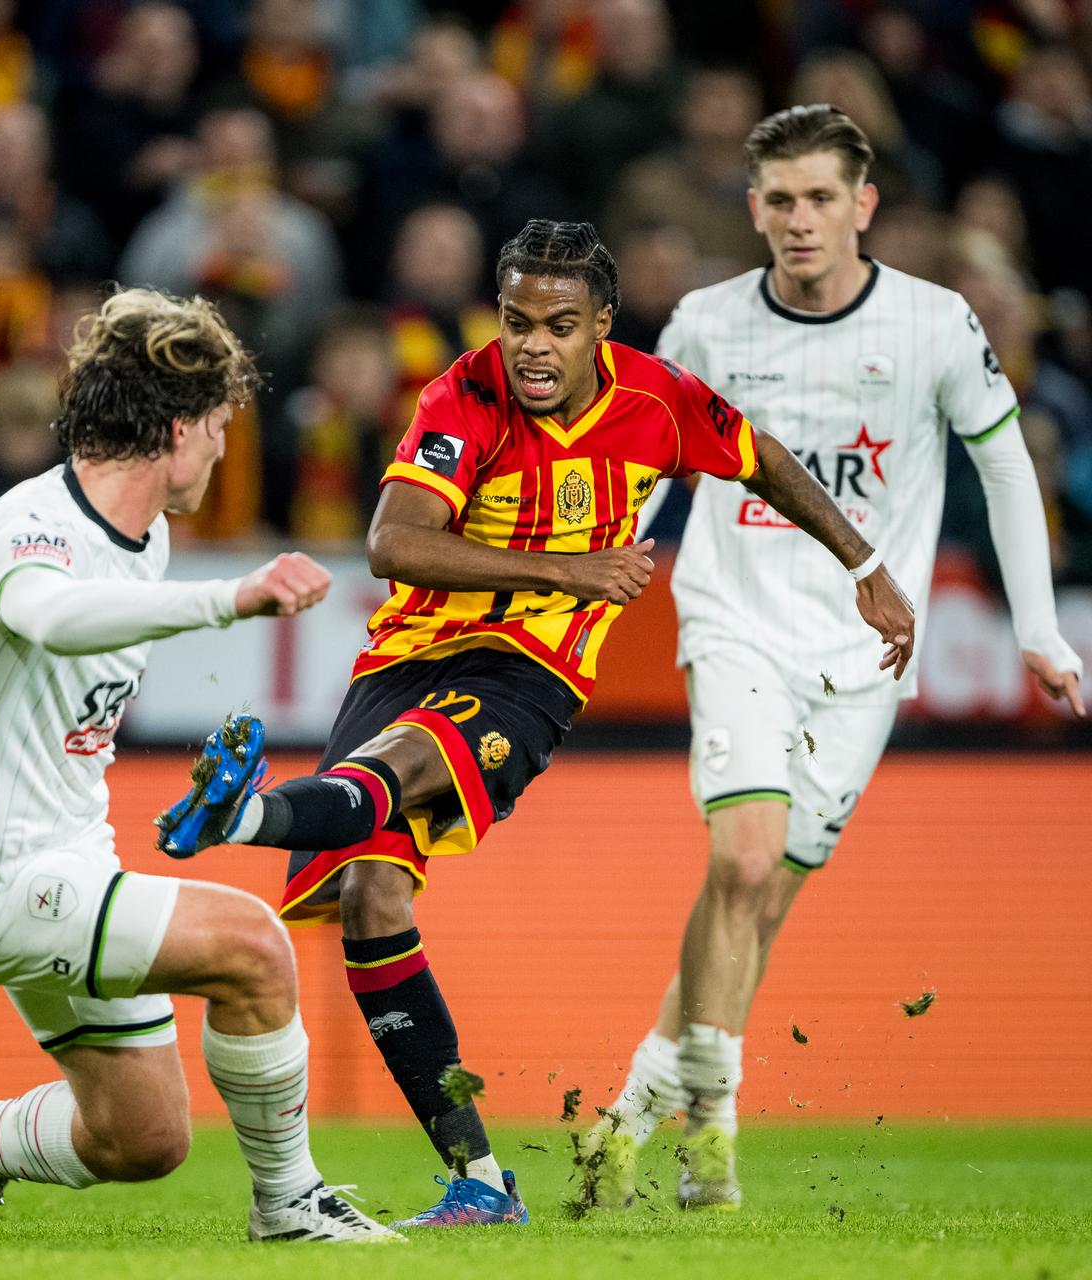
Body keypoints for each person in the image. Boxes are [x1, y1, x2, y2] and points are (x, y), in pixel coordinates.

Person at [154, 219, 917, 1227]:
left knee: (407, 767)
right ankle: (480, 1179)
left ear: (602, 326)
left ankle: (242, 817)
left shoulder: (658, 398)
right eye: (517, 320)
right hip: (409, 653)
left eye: (559, 325)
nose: (533, 345)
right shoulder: (462, 394)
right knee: (373, 899)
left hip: (533, 669)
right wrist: (573, 568)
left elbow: (761, 457)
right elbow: (393, 541)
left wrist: (866, 566)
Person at [0, 287, 398, 1245]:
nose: (224, 452)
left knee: (141, 1135)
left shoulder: (142, 535)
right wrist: (231, 599)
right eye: (221, 428)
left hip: (63, 854)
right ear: (182, 426)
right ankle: (291, 1207)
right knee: (254, 947)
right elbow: (48, 615)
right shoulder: (36, 531)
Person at [585, 105, 1083, 1210]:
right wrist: (612, 548)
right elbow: (652, 447)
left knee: (757, 904)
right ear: (753, 207)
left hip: (864, 657)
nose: (799, 219)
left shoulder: (935, 325)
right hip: (736, 620)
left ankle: (637, 1110)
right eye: (779, 199)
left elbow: (1006, 470)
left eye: (820, 198)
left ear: (863, 206)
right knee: (746, 859)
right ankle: (713, 1115)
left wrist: (1039, 628)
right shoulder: (709, 323)